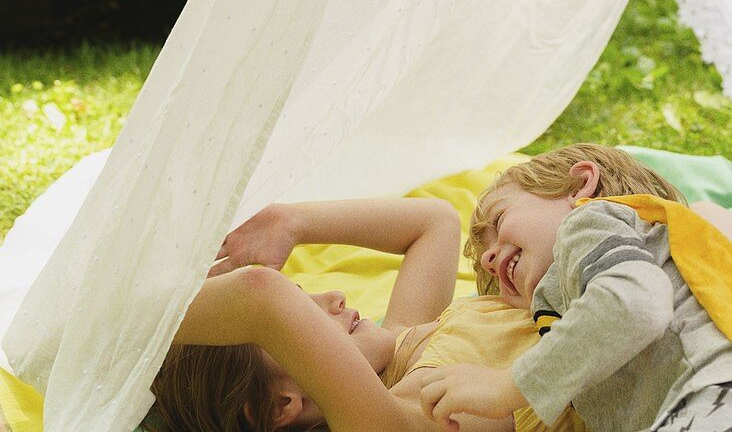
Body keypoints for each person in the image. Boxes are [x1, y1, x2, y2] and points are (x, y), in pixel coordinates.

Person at [142, 147, 696, 432]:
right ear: (283, 405)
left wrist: (291, 222)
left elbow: (433, 222)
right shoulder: (408, 406)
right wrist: (134, 327)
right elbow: (261, 298)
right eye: (309, 322)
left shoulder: (406, 340)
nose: (331, 297)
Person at [418, 144, 732, 432]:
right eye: (488, 270)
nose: (488, 258)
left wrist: (506, 386)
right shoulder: (562, 315)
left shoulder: (589, 220)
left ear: (581, 184)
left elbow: (635, 304)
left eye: (499, 221)